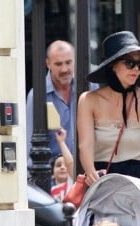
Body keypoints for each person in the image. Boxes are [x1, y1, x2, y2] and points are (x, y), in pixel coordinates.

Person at [78, 31, 140, 198]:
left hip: (139, 179)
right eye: (130, 63)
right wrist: (90, 171)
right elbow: (85, 144)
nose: (136, 69)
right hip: (102, 178)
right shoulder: (88, 100)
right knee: (101, 225)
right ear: (113, 65)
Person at [26, 40, 96, 170]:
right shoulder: (37, 95)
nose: (64, 69)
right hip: (53, 177)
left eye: (68, 62)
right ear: (48, 63)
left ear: (75, 60)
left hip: (85, 172)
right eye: (58, 64)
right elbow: (29, 145)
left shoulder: (89, 87)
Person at [49, 127, 74, 201]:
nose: (62, 167)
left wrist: (61, 142)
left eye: (65, 165)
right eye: (58, 165)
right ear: (52, 174)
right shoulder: (48, 192)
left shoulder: (72, 184)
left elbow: (70, 163)